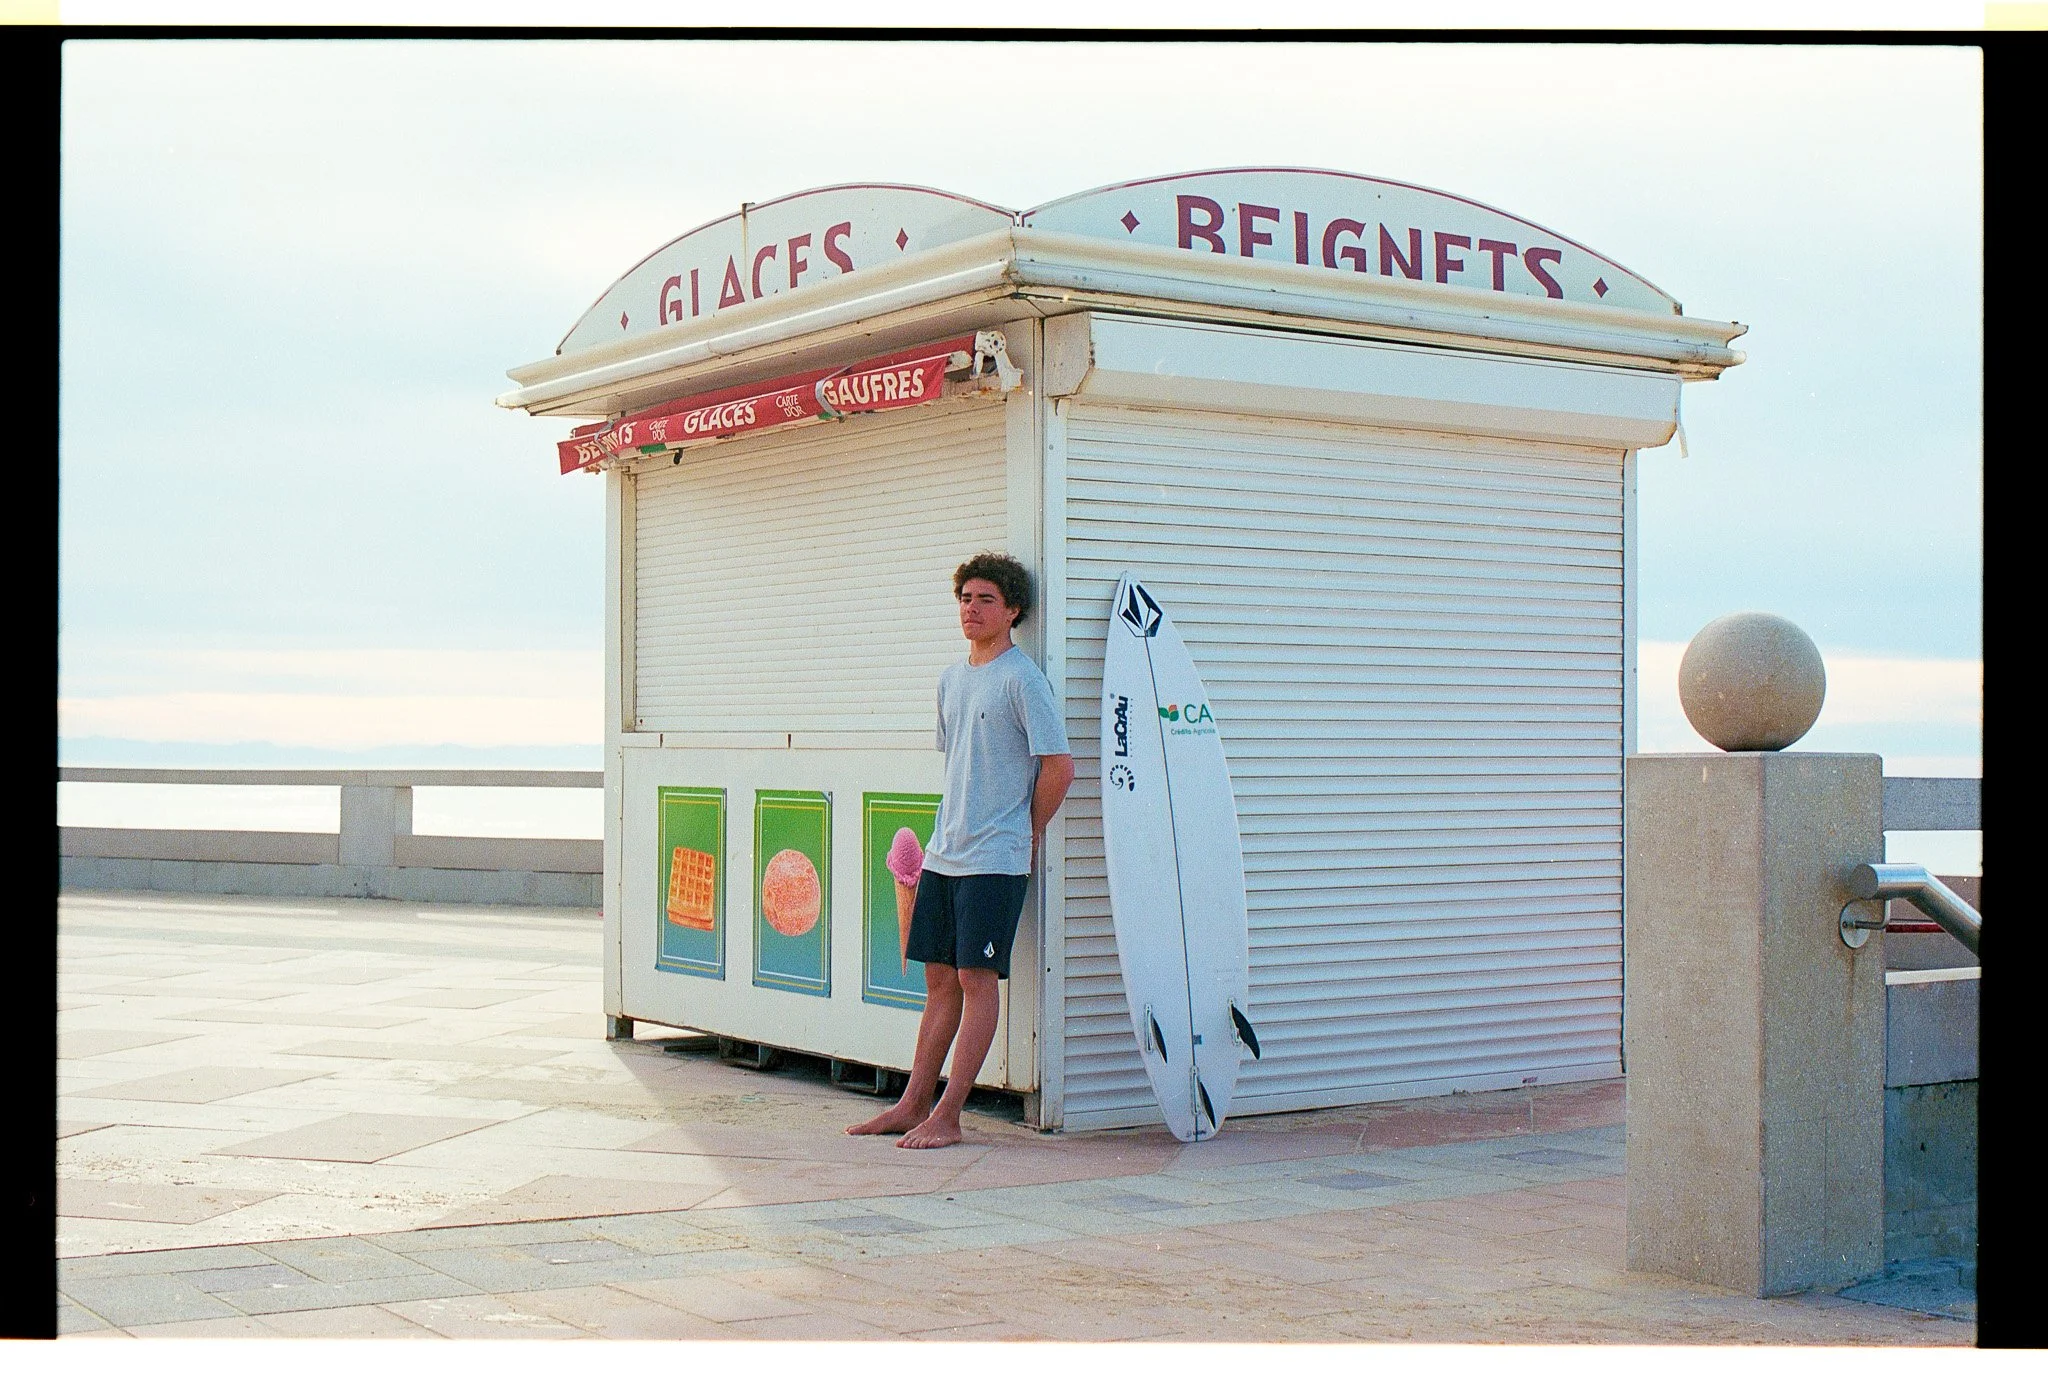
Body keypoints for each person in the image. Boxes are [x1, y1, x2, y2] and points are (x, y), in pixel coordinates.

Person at [848, 552, 1074, 1148]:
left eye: (985, 600)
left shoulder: (1023, 680)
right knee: (939, 982)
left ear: (1013, 610)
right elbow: (959, 765)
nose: (971, 609)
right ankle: (912, 1104)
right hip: (944, 854)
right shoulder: (951, 680)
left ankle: (949, 1115)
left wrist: (1026, 833)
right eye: (965, 599)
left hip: (995, 859)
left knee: (977, 979)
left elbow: (1059, 767)